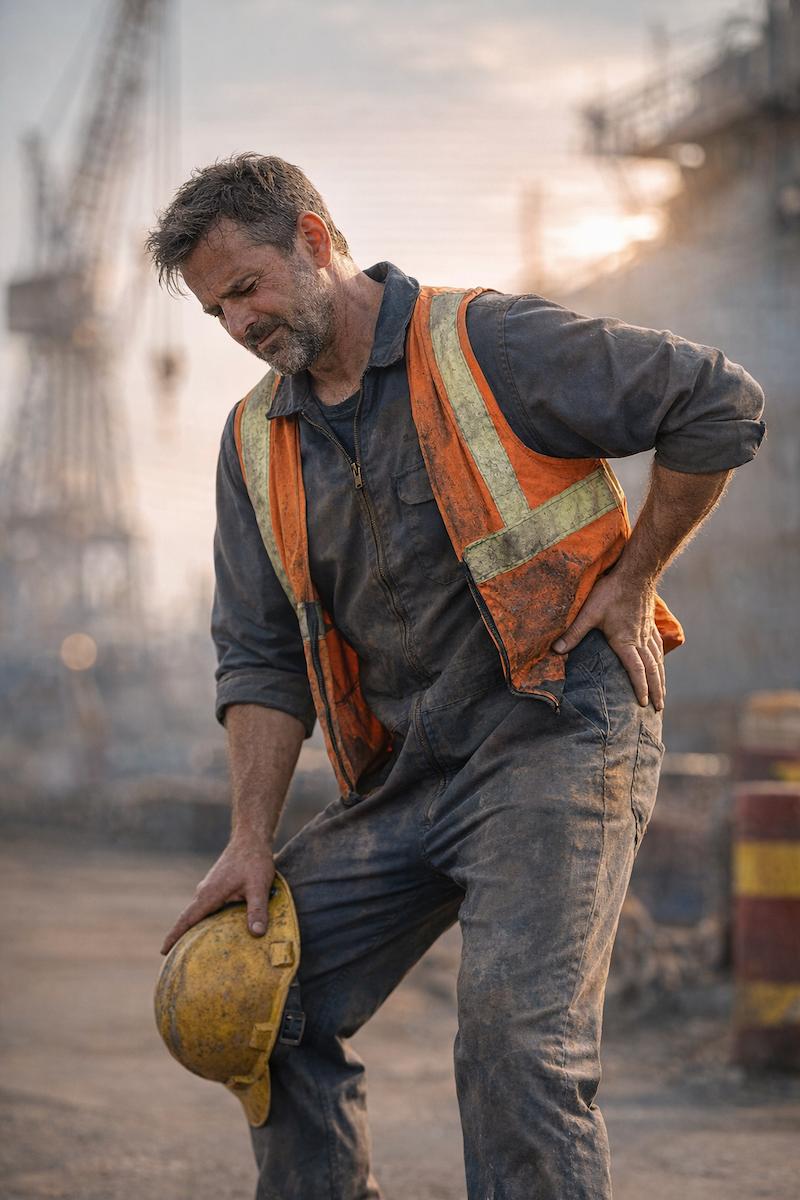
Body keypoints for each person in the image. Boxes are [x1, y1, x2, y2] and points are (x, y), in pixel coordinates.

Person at [146, 153, 765, 1200]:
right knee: (256, 1003)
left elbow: (717, 404)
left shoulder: (487, 343)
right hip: (410, 775)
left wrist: (634, 577)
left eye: (244, 287)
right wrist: (248, 839)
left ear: (311, 238)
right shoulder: (255, 439)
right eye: (215, 312)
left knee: (516, 1050)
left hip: (556, 735)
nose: (239, 324)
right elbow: (259, 654)